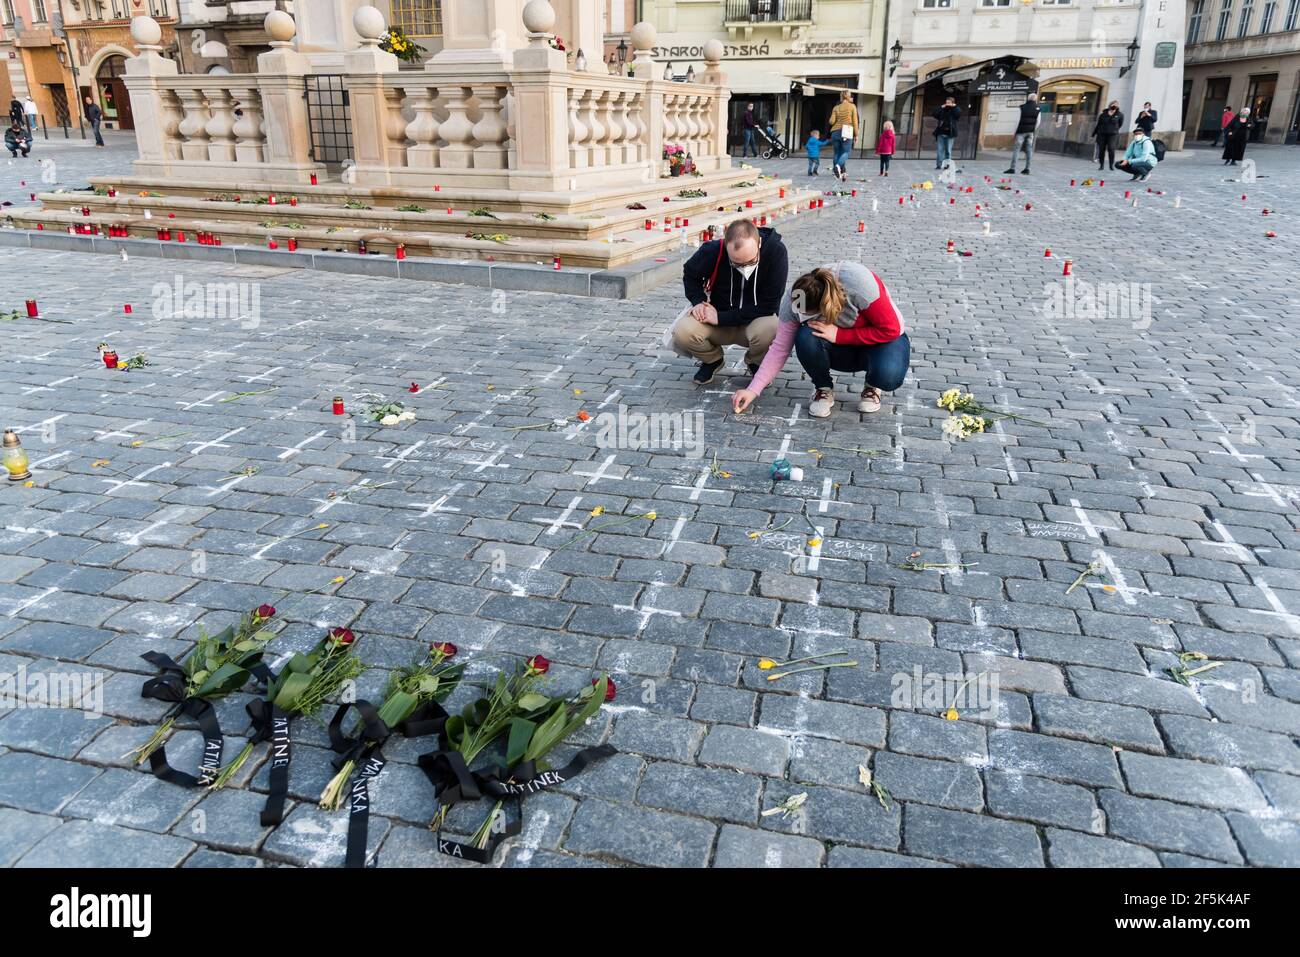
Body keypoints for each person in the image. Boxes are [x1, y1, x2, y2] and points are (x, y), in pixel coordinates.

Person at [733, 262, 910, 419]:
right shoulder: (795, 298)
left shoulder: (859, 284)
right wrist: (753, 390)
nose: (800, 315)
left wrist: (840, 335)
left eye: (807, 314)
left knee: (888, 376)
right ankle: (823, 388)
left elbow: (891, 328)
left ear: (823, 307)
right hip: (842, 349)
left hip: (882, 341)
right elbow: (780, 348)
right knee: (805, 335)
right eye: (799, 312)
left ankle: (872, 385)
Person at [673, 219, 788, 386]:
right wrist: (698, 301)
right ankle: (712, 360)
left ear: (759, 243)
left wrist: (720, 318)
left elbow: (769, 305)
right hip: (715, 320)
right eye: (736, 263)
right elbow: (690, 274)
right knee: (683, 330)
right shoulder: (713, 250)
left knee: (775, 328)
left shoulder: (775, 252)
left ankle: (755, 362)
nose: (744, 267)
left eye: (750, 261)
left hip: (753, 322)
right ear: (726, 246)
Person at [827, 90, 859, 182]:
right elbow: (855, 122)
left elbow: (831, 121)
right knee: (846, 152)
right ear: (849, 97)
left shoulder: (836, 107)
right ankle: (837, 167)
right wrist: (856, 134)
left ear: (841, 97)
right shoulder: (852, 106)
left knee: (837, 153)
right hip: (847, 131)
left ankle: (837, 171)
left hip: (835, 132)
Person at [1005, 93, 1039, 175]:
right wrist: (1032, 129)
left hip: (1020, 131)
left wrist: (1014, 132)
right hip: (1030, 132)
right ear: (1035, 99)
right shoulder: (1038, 109)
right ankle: (1027, 169)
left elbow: (1017, 121)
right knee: (1029, 150)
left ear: (1028, 98)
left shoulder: (1022, 107)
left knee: (1017, 149)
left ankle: (1012, 168)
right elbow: (1038, 122)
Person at [1092, 101, 1124, 170]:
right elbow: (1099, 125)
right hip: (1102, 134)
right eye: (1113, 104)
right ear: (1110, 105)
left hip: (1113, 134)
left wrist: (1114, 129)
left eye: (1116, 105)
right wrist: (1094, 133)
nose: (1114, 106)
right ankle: (1101, 165)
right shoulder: (1103, 114)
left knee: (1111, 149)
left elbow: (1120, 124)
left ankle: (1111, 165)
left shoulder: (1120, 114)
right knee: (1101, 150)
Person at [933, 96, 961, 170]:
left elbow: (958, 114)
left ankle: (947, 165)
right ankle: (939, 165)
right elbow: (934, 113)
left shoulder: (955, 110)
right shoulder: (943, 110)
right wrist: (941, 107)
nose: (947, 104)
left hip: (950, 133)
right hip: (941, 133)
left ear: (952, 103)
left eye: (949, 103)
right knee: (940, 150)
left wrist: (954, 107)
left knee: (948, 151)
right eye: (946, 102)